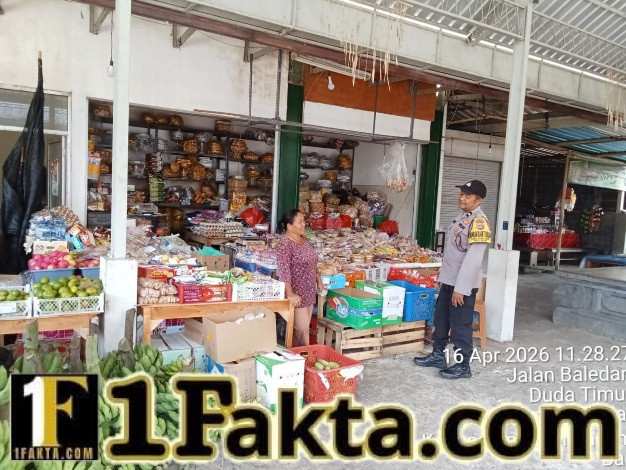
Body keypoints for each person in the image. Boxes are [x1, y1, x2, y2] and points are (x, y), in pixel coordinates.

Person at [414, 180, 491, 379]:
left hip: (462, 286)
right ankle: (438, 355)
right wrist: (443, 277)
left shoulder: (479, 222)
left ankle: (463, 365)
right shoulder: (462, 217)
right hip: (449, 280)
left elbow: (473, 260)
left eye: (467, 196)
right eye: (461, 194)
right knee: (441, 319)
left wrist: (461, 289)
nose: (462, 198)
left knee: (460, 325)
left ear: (479, 200)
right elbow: (453, 253)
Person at [276, 209, 324, 346]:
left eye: (304, 221)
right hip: (296, 292)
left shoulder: (305, 240)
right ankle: (305, 354)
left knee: (302, 328)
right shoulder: (284, 243)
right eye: (300, 222)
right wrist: (290, 293)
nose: (304, 225)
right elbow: (284, 270)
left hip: (308, 291)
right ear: (289, 226)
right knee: (302, 329)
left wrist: (319, 282)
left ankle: (295, 354)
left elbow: (313, 262)